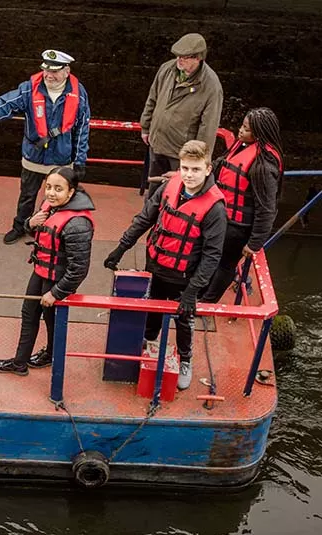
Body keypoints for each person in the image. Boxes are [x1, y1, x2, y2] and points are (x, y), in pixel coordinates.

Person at [104, 141, 227, 390]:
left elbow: (212, 255)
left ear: (207, 169)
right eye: (184, 168)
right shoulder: (168, 187)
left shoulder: (215, 209)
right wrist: (122, 247)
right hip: (157, 265)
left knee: (184, 320)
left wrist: (193, 291)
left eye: (195, 169)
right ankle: (149, 342)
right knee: (152, 310)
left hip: (185, 276)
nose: (189, 175)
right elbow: (145, 218)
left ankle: (186, 360)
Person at [0, 50, 91, 245]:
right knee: (27, 196)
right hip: (34, 157)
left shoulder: (78, 94)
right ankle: (20, 226)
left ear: (67, 71)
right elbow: (4, 105)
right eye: (46, 70)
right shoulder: (29, 89)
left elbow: (82, 128)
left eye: (55, 71)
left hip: (62, 158)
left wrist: (80, 160)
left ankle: (58, 231)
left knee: (62, 197)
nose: (49, 75)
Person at [0, 167, 94, 375]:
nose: (51, 193)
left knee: (52, 321)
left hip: (57, 280)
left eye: (58, 189)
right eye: (48, 187)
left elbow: (79, 268)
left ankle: (51, 355)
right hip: (40, 271)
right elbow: (36, 231)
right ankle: (20, 363)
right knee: (29, 314)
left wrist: (56, 293)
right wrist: (30, 223)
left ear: (71, 192)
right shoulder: (49, 207)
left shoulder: (78, 224)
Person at [201, 107, 284, 302]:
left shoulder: (263, 166)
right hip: (222, 217)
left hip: (238, 227)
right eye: (242, 126)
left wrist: (254, 242)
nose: (240, 131)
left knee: (225, 265)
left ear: (259, 134)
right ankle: (198, 293)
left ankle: (208, 301)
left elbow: (267, 209)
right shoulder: (241, 146)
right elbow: (220, 165)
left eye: (246, 129)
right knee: (209, 256)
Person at [140, 33, 223, 200]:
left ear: (198, 58)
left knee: (178, 195)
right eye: (178, 55)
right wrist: (145, 126)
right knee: (154, 189)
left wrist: (197, 158)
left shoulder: (211, 86)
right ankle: (151, 218)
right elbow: (153, 98)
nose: (179, 60)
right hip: (157, 144)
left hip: (181, 152)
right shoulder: (166, 70)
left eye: (185, 57)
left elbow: (208, 126)